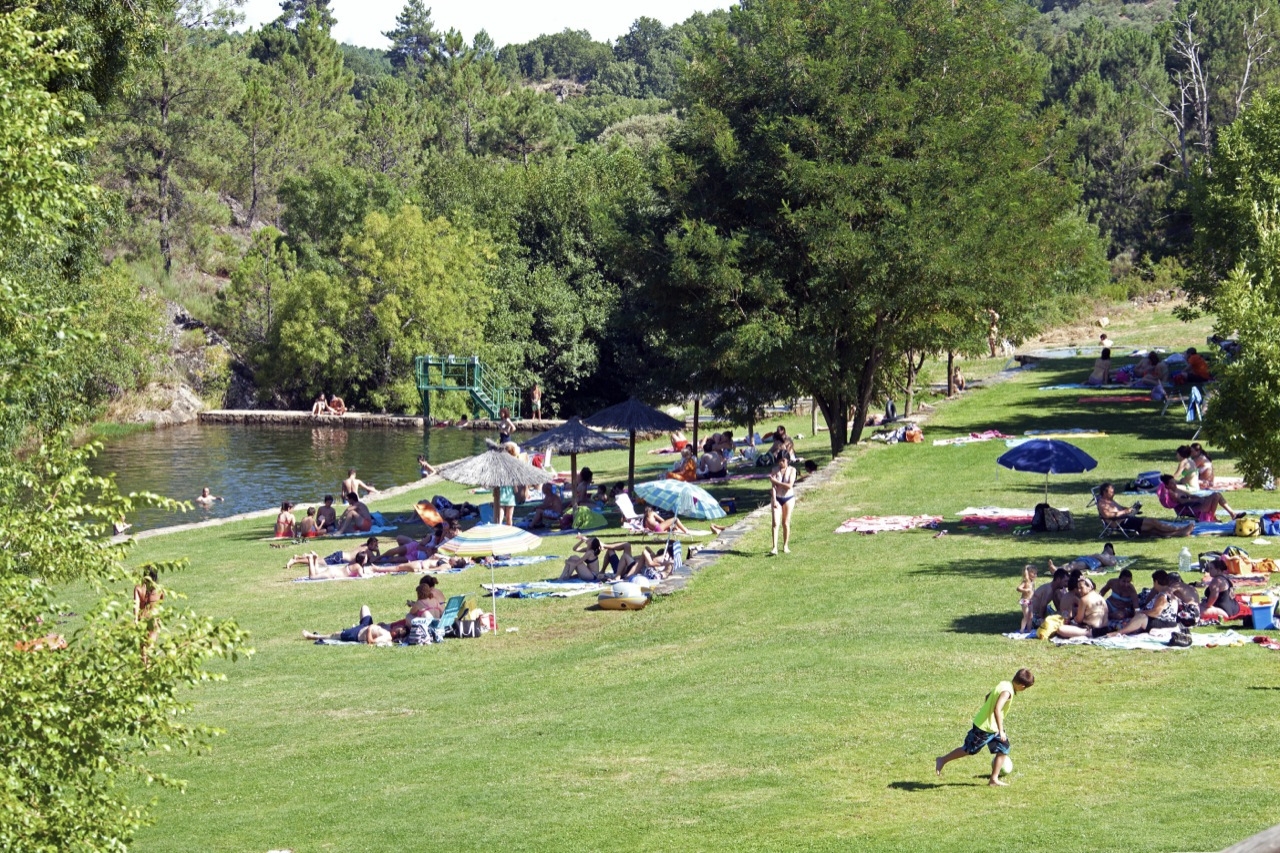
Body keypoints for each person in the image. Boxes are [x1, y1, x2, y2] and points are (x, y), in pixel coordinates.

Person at [936, 669, 1034, 787]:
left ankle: (993, 780)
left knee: (1003, 749)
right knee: (969, 749)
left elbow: (987, 696)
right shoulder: (1007, 692)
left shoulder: (1004, 683)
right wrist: (1001, 730)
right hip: (985, 727)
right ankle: (942, 760)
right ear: (1022, 686)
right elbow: (997, 709)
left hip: (992, 726)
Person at [1096, 482, 1192, 537]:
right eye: (1111, 492)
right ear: (1104, 492)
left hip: (1126, 519)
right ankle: (1180, 529)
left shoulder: (1110, 500)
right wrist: (1125, 511)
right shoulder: (1102, 503)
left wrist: (1131, 509)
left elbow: (1120, 509)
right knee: (1154, 523)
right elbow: (1107, 515)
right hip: (1121, 523)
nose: (1113, 494)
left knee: (1153, 530)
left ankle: (1180, 533)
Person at [1110, 570, 1181, 636]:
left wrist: (1142, 612)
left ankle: (1118, 633)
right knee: (1136, 618)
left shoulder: (1163, 596)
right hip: (1167, 621)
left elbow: (1156, 612)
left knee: (1141, 617)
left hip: (1165, 623)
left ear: (1156, 582)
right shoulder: (1169, 592)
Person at [1157, 474, 1242, 521]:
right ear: (1167, 485)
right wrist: (1198, 500)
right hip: (1191, 509)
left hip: (1196, 505)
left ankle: (1231, 514)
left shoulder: (1177, 489)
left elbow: (1190, 496)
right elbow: (1183, 502)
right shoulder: (1171, 493)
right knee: (1216, 495)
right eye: (1172, 483)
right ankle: (1214, 518)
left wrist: (1199, 498)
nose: (1174, 484)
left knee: (1217, 495)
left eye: (1174, 482)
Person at [303, 605, 393, 645]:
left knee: (334, 635)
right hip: (365, 625)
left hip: (359, 633)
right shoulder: (398, 626)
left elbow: (371, 641)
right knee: (364, 607)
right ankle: (355, 627)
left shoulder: (389, 637)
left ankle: (312, 636)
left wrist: (370, 629)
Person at [134, 567, 164, 664]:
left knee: (143, 649)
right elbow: (159, 605)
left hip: (142, 619)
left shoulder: (138, 588)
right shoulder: (159, 590)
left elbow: (136, 606)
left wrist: (135, 620)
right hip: (153, 620)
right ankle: (148, 671)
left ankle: (145, 668)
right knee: (150, 648)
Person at [769, 454, 797, 556]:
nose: (781, 463)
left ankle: (785, 545)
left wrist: (776, 482)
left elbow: (789, 485)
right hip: (777, 498)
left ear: (788, 461)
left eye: (783, 461)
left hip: (788, 498)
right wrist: (775, 500)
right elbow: (773, 486)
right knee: (775, 523)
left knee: (785, 522)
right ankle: (774, 547)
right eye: (780, 461)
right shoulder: (775, 470)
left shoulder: (792, 470)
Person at [1050, 542, 1118, 574]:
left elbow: (1111, 563)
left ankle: (1057, 570)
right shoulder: (1101, 554)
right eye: (1106, 547)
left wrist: (1097, 556)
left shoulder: (1112, 557)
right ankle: (1058, 568)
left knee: (1075, 565)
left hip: (1092, 562)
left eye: (1109, 547)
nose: (1107, 548)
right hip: (1089, 559)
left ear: (1112, 551)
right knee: (1072, 563)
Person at [1017, 565, 1037, 633]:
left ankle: (1029, 630)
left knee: (1031, 616)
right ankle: (1022, 629)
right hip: (1025, 601)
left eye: (1036, 573)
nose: (1035, 575)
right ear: (1028, 573)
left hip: (1030, 601)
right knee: (1026, 616)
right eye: (1033, 573)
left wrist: (1035, 595)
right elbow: (1018, 588)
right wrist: (1025, 590)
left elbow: (1033, 590)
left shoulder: (1032, 582)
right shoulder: (1026, 582)